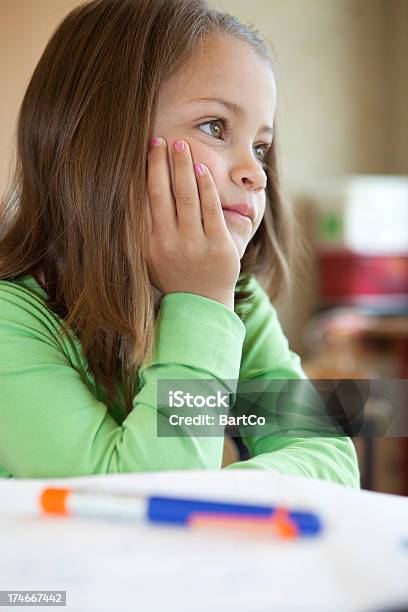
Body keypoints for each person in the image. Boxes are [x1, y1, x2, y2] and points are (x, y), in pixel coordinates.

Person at [0, 0, 360, 486]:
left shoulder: (234, 304)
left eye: (260, 147)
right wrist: (199, 303)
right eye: (215, 127)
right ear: (101, 139)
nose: (256, 172)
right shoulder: (11, 322)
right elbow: (134, 501)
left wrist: (218, 491)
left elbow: (328, 455)